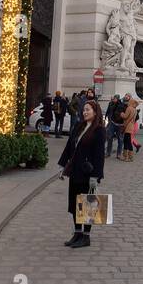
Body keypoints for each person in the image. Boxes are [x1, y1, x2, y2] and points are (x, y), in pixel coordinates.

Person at [58, 97, 106, 248]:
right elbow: (69, 147)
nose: (85, 112)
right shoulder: (79, 126)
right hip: (75, 171)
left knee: (88, 205)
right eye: (84, 110)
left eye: (88, 110)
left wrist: (96, 176)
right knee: (75, 204)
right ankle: (77, 233)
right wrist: (62, 165)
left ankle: (86, 237)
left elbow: (99, 155)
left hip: (88, 172)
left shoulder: (99, 130)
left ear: (95, 112)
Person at [119, 94, 138, 161]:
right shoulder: (135, 109)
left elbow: (125, 116)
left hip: (127, 127)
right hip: (131, 126)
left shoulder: (129, 108)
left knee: (127, 142)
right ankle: (130, 157)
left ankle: (126, 157)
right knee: (128, 141)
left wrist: (121, 114)